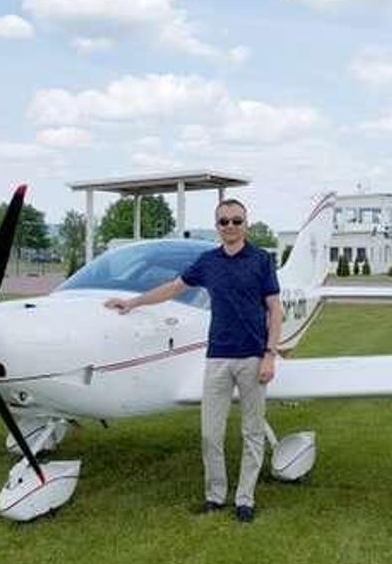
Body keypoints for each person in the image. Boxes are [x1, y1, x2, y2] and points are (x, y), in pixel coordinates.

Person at [104, 199, 282, 523]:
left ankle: (245, 499)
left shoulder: (260, 261)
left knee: (252, 432)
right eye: (224, 221)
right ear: (217, 226)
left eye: (236, 221)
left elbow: (275, 309)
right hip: (217, 358)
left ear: (246, 224)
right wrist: (132, 303)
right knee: (210, 435)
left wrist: (270, 354)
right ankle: (215, 496)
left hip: (252, 357)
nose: (230, 226)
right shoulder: (208, 262)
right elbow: (173, 288)